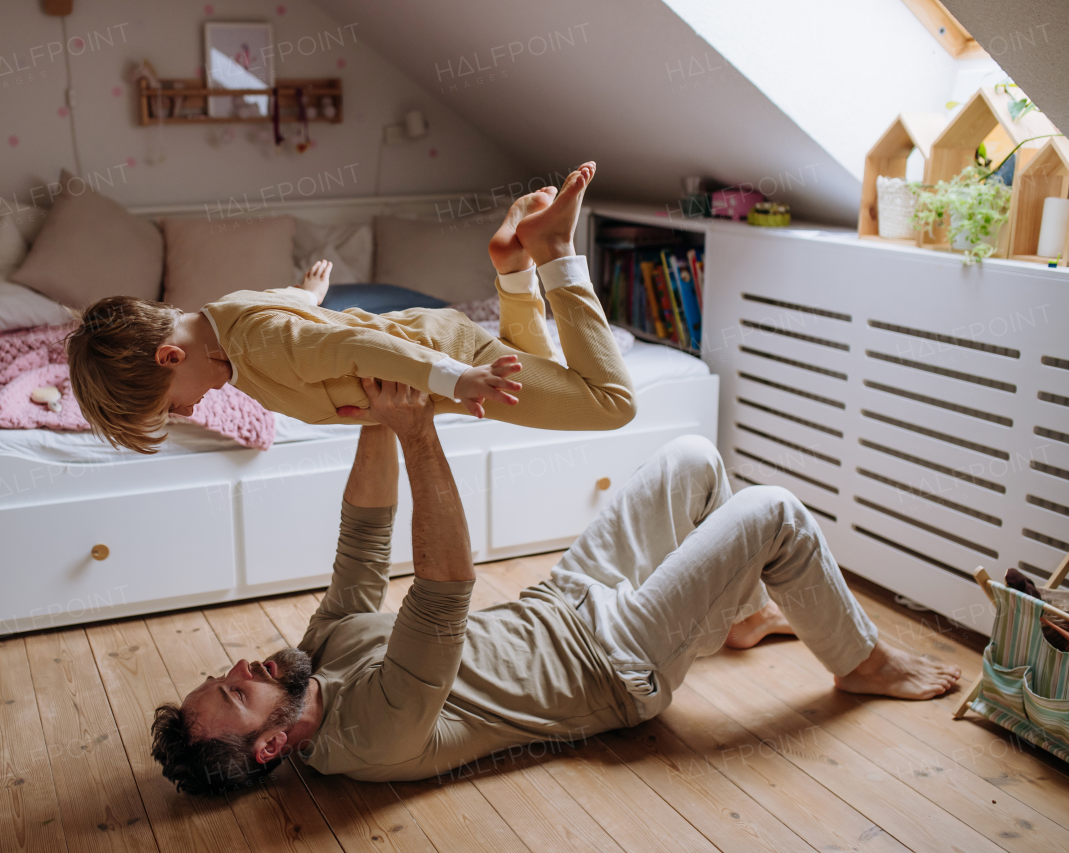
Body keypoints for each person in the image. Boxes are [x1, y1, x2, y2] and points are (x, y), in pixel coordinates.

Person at [150, 379, 962, 794]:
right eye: (237, 688)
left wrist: (372, 415)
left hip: (566, 600)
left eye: (232, 671)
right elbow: (443, 586)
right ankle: (861, 661)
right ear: (268, 744)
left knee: (691, 458)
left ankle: (741, 616)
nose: (246, 666)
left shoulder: (311, 661)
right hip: (617, 662)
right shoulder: (370, 737)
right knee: (772, 511)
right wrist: (417, 428)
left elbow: (362, 541)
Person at [67, 162, 637, 454]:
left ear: (169, 356)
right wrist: (310, 296)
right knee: (531, 362)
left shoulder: (257, 346)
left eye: (170, 408)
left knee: (611, 405)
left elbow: (354, 345)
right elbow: (284, 308)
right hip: (446, 345)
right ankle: (514, 266)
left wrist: (457, 379)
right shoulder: (226, 321)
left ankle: (555, 253)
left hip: (446, 355)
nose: (187, 414)